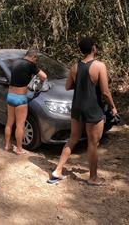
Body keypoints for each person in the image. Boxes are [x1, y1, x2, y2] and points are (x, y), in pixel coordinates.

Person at [48, 37, 119, 186]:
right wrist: (113, 107)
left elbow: (68, 86)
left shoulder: (75, 67)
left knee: (72, 139)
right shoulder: (99, 66)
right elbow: (105, 92)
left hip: (77, 107)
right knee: (93, 143)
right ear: (94, 48)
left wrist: (82, 84)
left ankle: (58, 170)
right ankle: (93, 178)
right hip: (93, 108)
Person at [4, 48, 47, 155]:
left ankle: (7, 145)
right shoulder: (30, 64)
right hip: (20, 98)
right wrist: (40, 82)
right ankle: (19, 149)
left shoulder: (15, 62)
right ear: (33, 57)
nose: (35, 62)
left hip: (10, 96)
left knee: (9, 122)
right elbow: (44, 76)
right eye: (36, 60)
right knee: (20, 125)